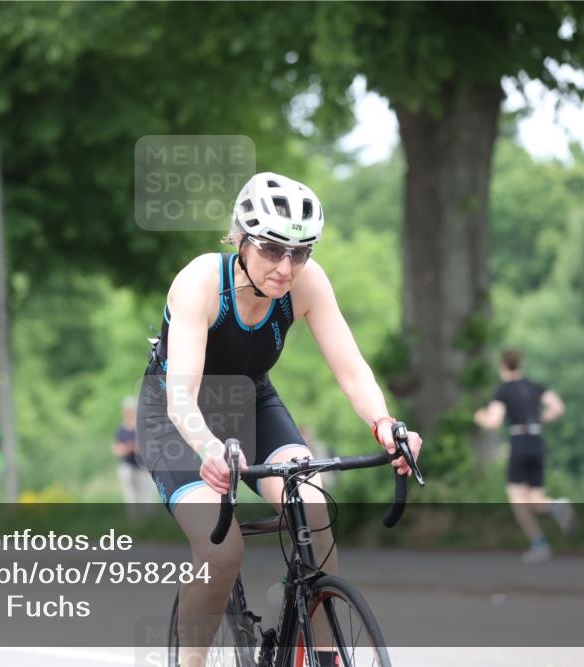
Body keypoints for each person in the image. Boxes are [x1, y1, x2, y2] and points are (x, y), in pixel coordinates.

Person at [136, 172, 422, 666]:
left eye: (301, 252)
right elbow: (182, 396)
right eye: (271, 249)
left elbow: (351, 370)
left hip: (251, 402)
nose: (286, 267)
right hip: (177, 417)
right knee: (222, 551)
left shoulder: (307, 283)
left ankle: (322, 653)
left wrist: (384, 424)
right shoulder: (201, 282)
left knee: (313, 509)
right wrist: (208, 448)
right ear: (241, 239)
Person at [474, 349, 574, 563]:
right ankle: (556, 506)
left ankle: (540, 544)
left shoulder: (503, 390)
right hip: (537, 442)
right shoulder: (535, 386)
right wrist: (540, 420)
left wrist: (480, 417)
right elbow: (558, 407)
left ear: (502, 365)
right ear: (520, 364)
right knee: (534, 499)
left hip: (519, 443)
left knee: (517, 499)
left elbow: (493, 422)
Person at [112, 396, 155, 518]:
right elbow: (116, 449)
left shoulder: (143, 427)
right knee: (131, 496)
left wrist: (137, 447)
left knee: (147, 495)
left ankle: (150, 521)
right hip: (128, 466)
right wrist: (126, 448)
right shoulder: (121, 429)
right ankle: (135, 521)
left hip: (143, 466)